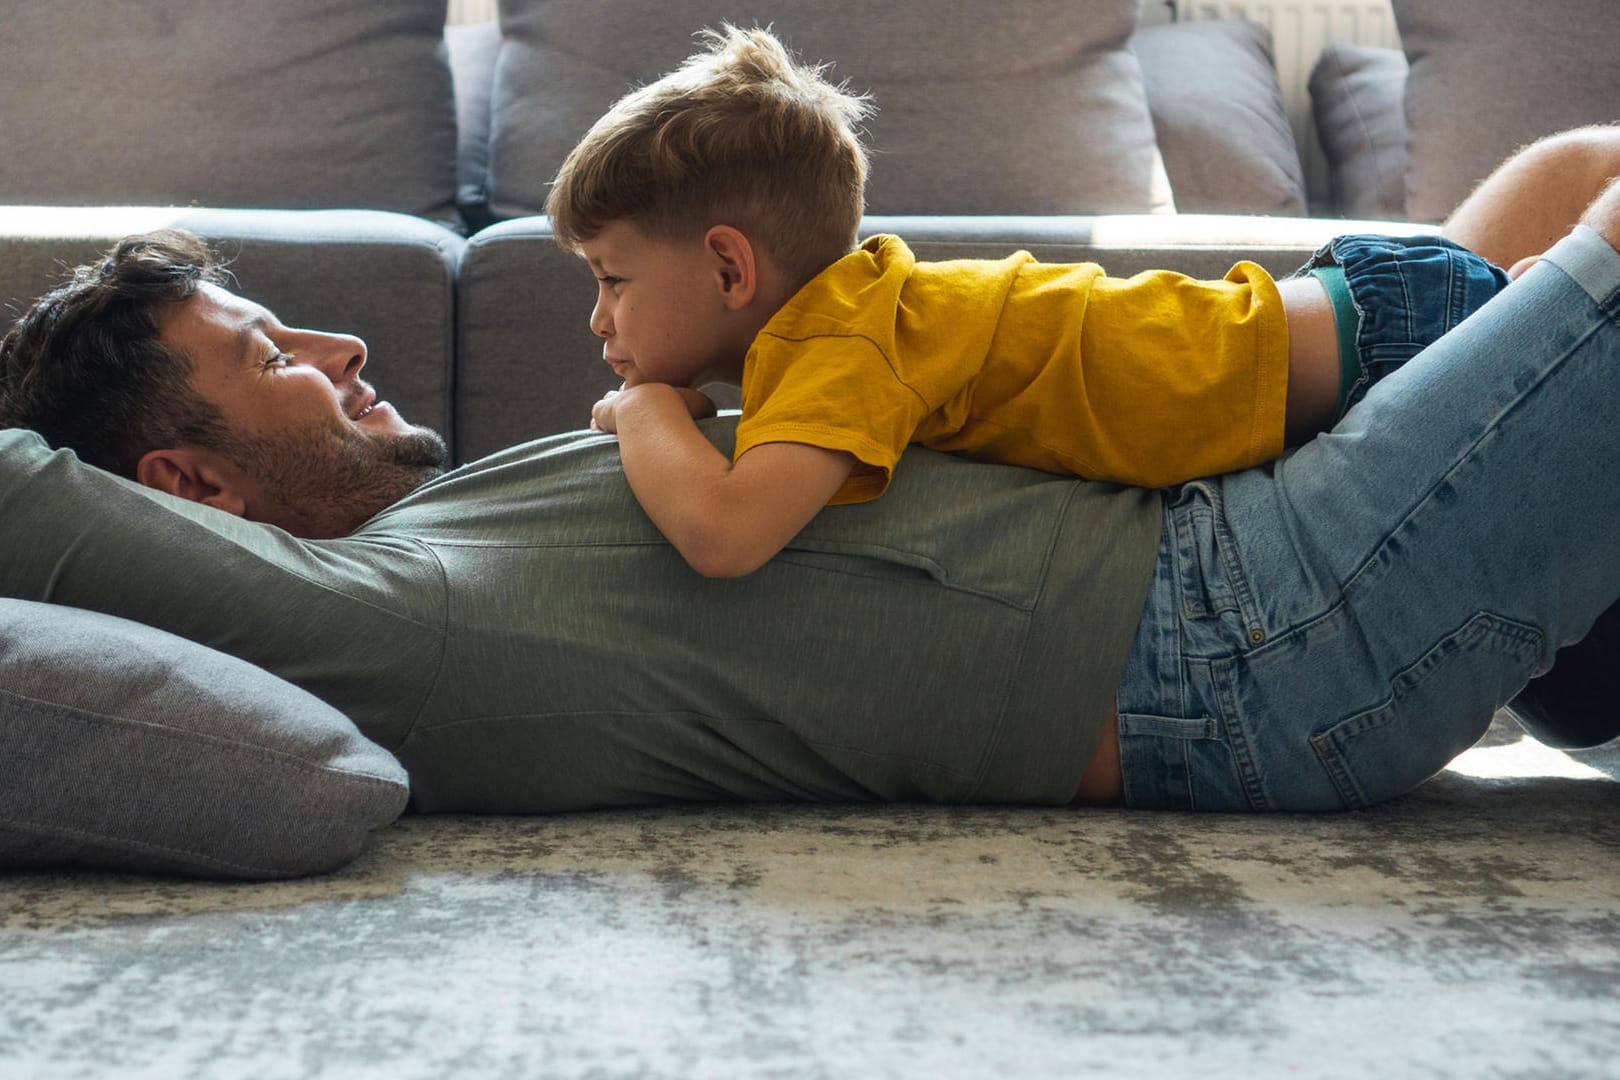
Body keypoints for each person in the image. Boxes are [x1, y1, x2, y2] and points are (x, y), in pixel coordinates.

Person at [2, 130, 1619, 816]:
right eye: (271, 354)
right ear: (192, 490)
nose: (343, 348)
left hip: (1228, 536)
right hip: (1250, 637)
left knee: (1569, 174)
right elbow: (28, 494)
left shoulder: (440, 531)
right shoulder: (376, 619)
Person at [545, 25, 1515, 579]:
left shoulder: (841, 340)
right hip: (1362, 321)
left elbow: (725, 534)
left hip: (1387, 348)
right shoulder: (851, 324)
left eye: (611, 278)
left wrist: (645, 410)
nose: (598, 320)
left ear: (728, 269)